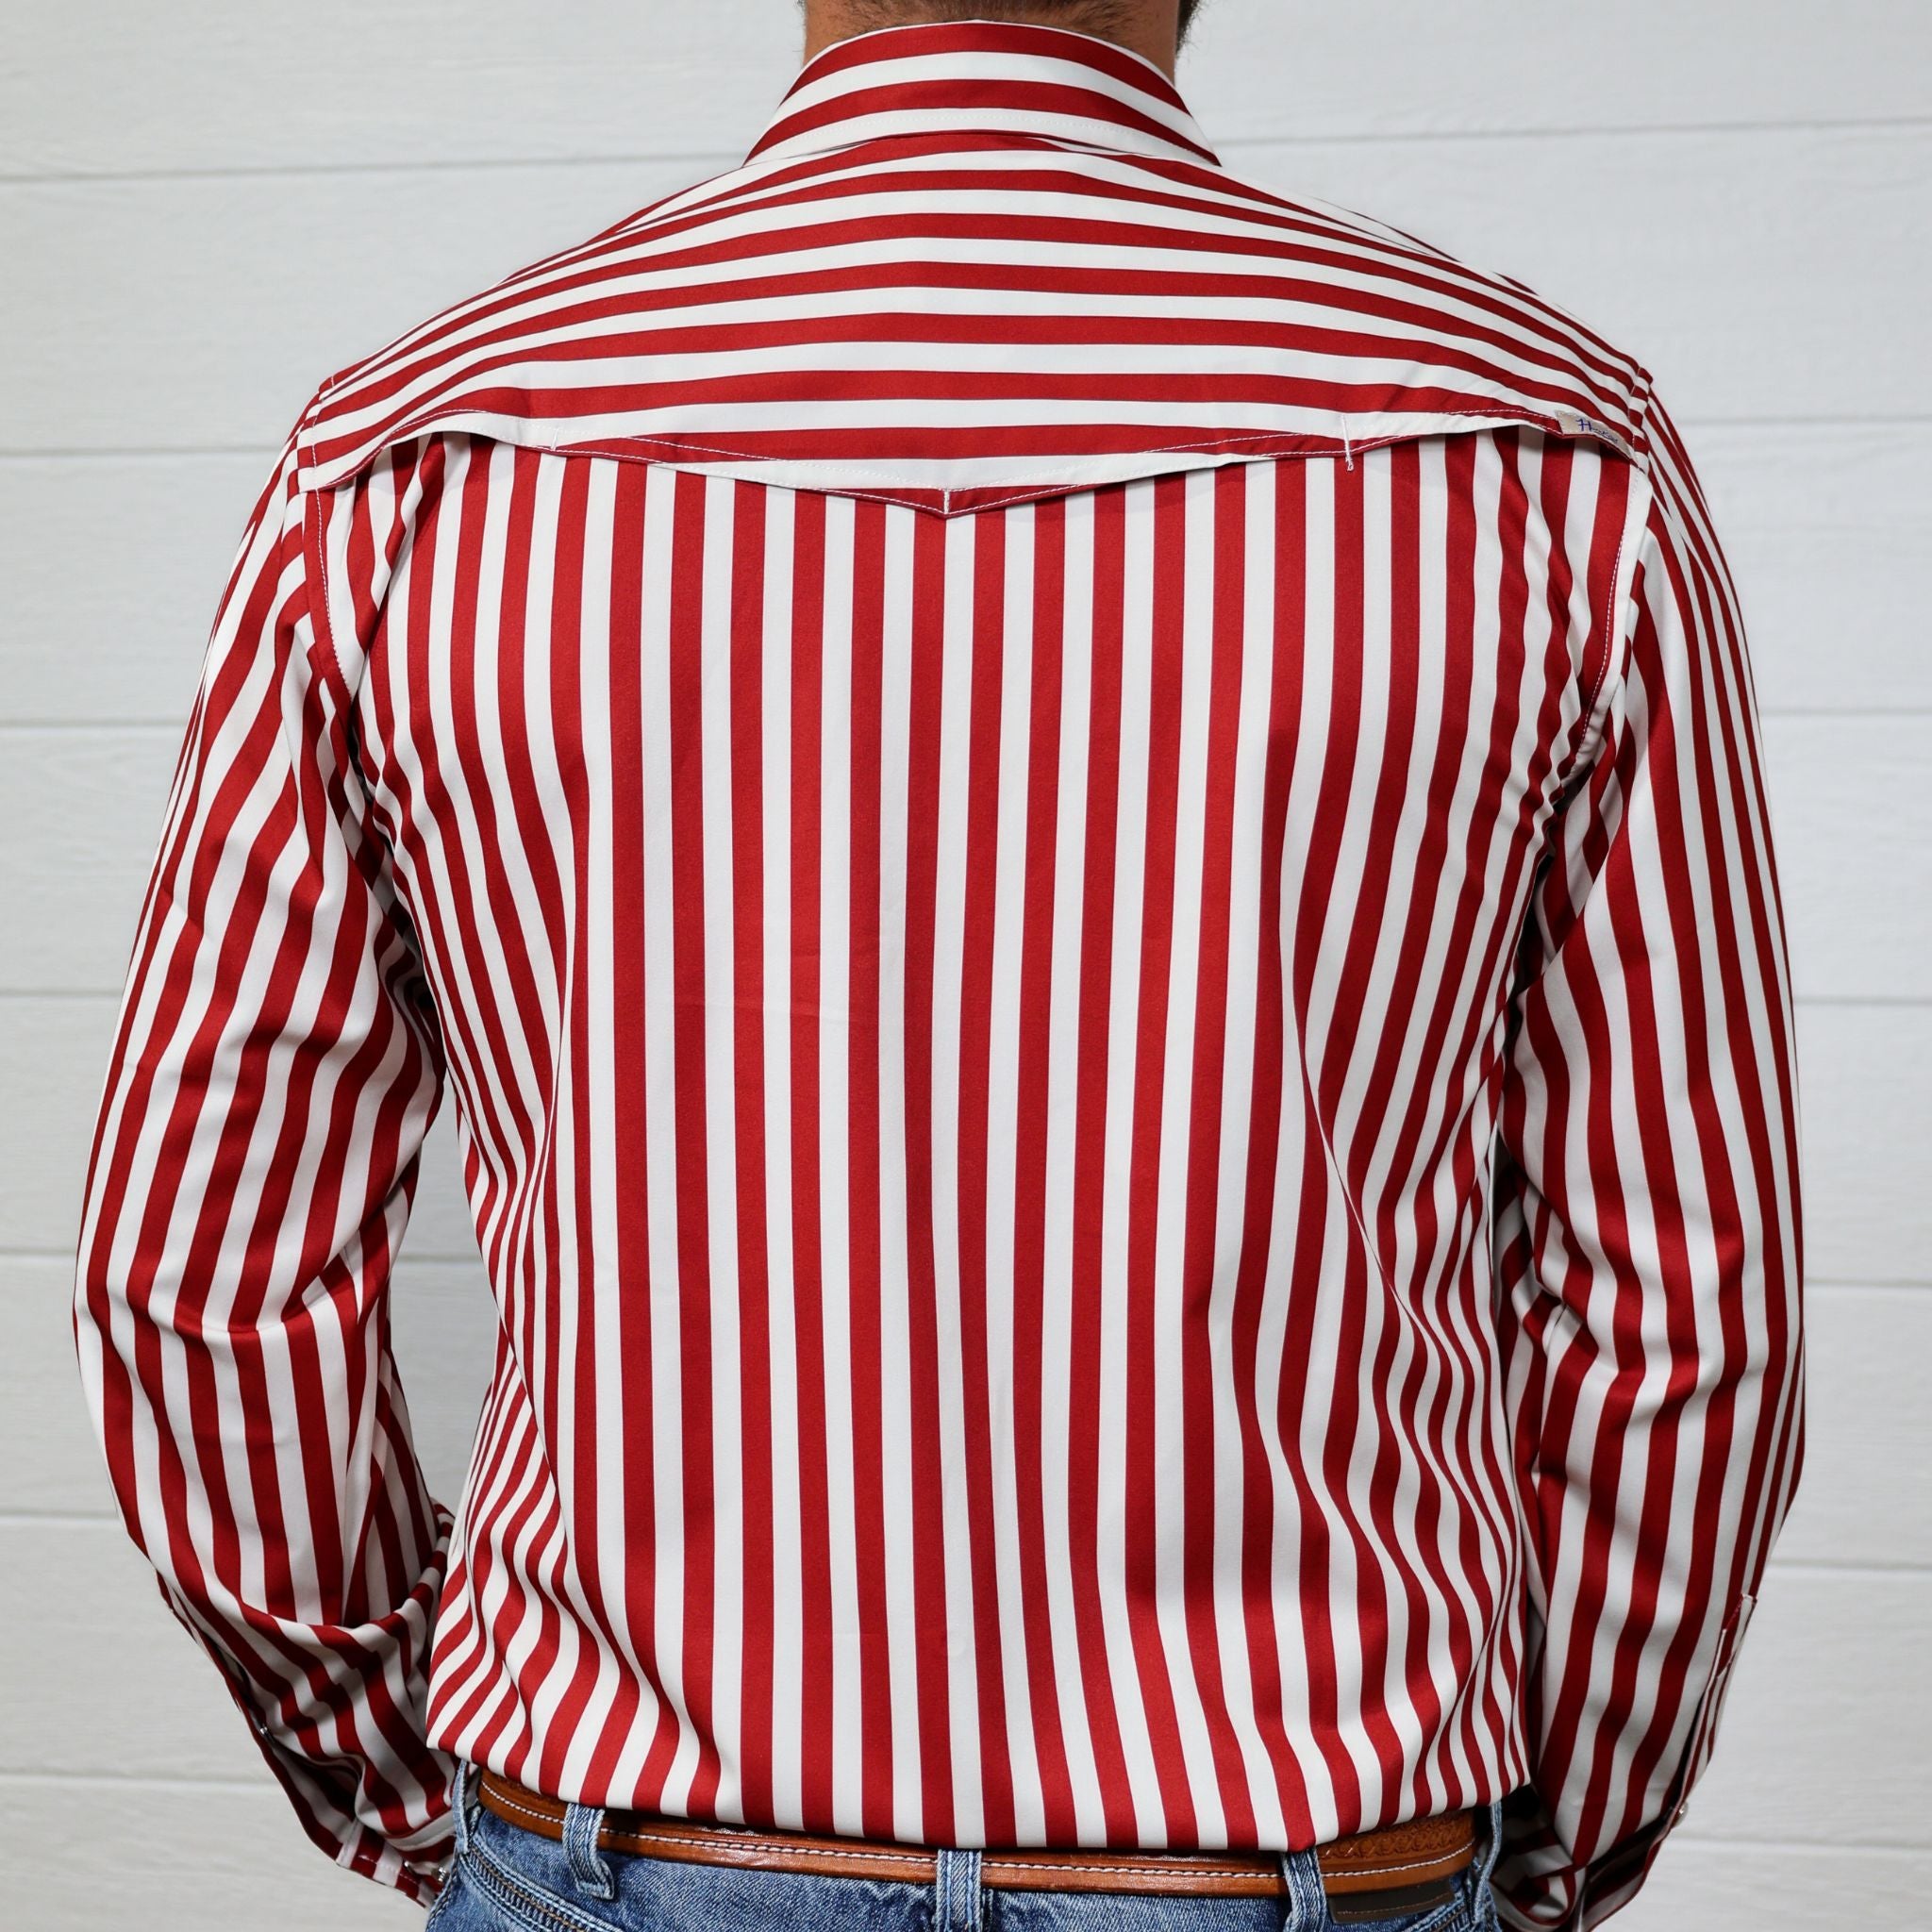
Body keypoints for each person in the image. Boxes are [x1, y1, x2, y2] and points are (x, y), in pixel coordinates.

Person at [73, 2, 1805, 1928]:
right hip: (1308, 1856)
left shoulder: (411, 473)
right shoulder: (1543, 458)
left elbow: (192, 1290)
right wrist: (1542, 1846)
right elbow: (1683, 1323)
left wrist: (424, 1783)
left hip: (622, 1844)